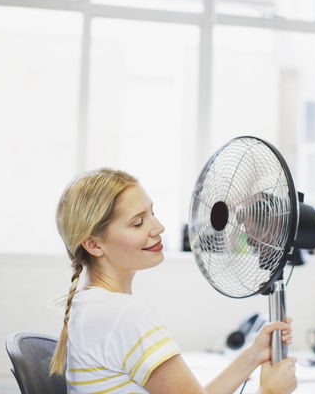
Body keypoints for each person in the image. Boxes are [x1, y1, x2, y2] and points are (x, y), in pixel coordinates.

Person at [49, 168, 298, 394]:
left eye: (152, 213)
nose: (158, 227)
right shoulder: (126, 315)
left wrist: (253, 356)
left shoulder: (89, 304)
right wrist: (271, 391)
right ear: (93, 244)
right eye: (137, 222)